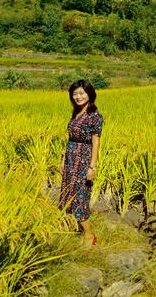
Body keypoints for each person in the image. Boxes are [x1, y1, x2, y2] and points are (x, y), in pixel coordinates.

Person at [59, 79, 104, 246]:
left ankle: (89, 235)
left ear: (89, 94)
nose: (78, 96)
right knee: (68, 195)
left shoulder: (95, 115)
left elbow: (96, 142)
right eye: (75, 93)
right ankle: (77, 230)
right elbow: (70, 138)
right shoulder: (76, 112)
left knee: (80, 197)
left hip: (83, 159)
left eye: (82, 93)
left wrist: (92, 166)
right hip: (71, 158)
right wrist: (64, 159)